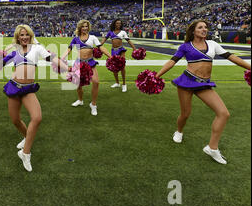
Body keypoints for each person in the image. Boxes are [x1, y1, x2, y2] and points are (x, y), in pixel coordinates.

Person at [155, 19, 251, 165]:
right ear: (193, 31)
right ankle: (179, 131)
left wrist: (250, 67)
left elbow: (233, 58)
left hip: (204, 84)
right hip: (187, 82)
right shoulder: (185, 46)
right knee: (185, 114)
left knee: (223, 113)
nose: (204, 29)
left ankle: (212, 148)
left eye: (206, 27)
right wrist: (156, 76)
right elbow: (172, 61)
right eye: (200, 27)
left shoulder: (213, 44)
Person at [0, 24, 68, 172]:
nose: (25, 37)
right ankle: (27, 138)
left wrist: (68, 68)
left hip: (28, 89)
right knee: (15, 120)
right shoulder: (15, 52)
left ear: (31, 35)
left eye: (27, 34)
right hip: (14, 87)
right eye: (21, 35)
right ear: (18, 37)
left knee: (37, 118)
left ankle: (25, 153)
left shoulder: (37, 48)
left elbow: (53, 59)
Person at [61, 19, 111, 116]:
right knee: (78, 85)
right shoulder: (75, 38)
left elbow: (101, 47)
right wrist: (62, 58)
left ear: (88, 27)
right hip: (79, 63)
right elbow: (69, 49)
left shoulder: (92, 37)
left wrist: (111, 57)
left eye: (86, 26)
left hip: (90, 62)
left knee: (96, 82)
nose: (85, 28)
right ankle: (80, 100)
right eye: (83, 26)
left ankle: (93, 104)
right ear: (80, 27)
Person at [100, 19, 136, 92]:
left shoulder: (123, 32)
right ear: (114, 24)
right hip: (113, 50)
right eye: (117, 23)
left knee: (122, 67)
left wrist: (134, 48)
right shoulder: (110, 32)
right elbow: (104, 39)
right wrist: (99, 46)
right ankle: (117, 83)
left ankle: (124, 84)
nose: (118, 25)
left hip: (121, 50)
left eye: (120, 23)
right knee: (114, 68)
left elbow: (128, 40)